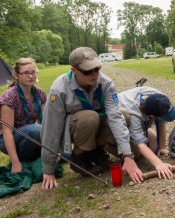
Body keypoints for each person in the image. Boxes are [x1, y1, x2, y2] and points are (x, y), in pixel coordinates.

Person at [41, 47, 143, 190]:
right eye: (88, 71)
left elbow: (115, 117)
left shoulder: (106, 83)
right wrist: (48, 169)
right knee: (90, 117)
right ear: (74, 70)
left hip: (95, 127)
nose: (94, 74)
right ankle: (79, 157)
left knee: (124, 114)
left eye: (97, 68)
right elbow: (51, 128)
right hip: (76, 129)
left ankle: (96, 151)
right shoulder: (59, 89)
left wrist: (127, 155)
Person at [0, 58, 47, 173]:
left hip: (30, 135)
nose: (31, 76)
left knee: (64, 154)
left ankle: (29, 157)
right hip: (7, 140)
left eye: (33, 72)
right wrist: (15, 163)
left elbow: (46, 123)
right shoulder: (9, 97)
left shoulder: (40, 93)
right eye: (26, 73)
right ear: (16, 75)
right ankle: (21, 159)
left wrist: (53, 151)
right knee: (38, 129)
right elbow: (7, 133)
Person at [115, 86, 175, 180]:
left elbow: (161, 122)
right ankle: (106, 144)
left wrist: (162, 147)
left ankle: (142, 132)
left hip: (139, 119)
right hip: (118, 122)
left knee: (154, 148)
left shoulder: (159, 98)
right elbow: (140, 143)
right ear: (152, 115)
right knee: (137, 154)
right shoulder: (134, 114)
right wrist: (159, 164)